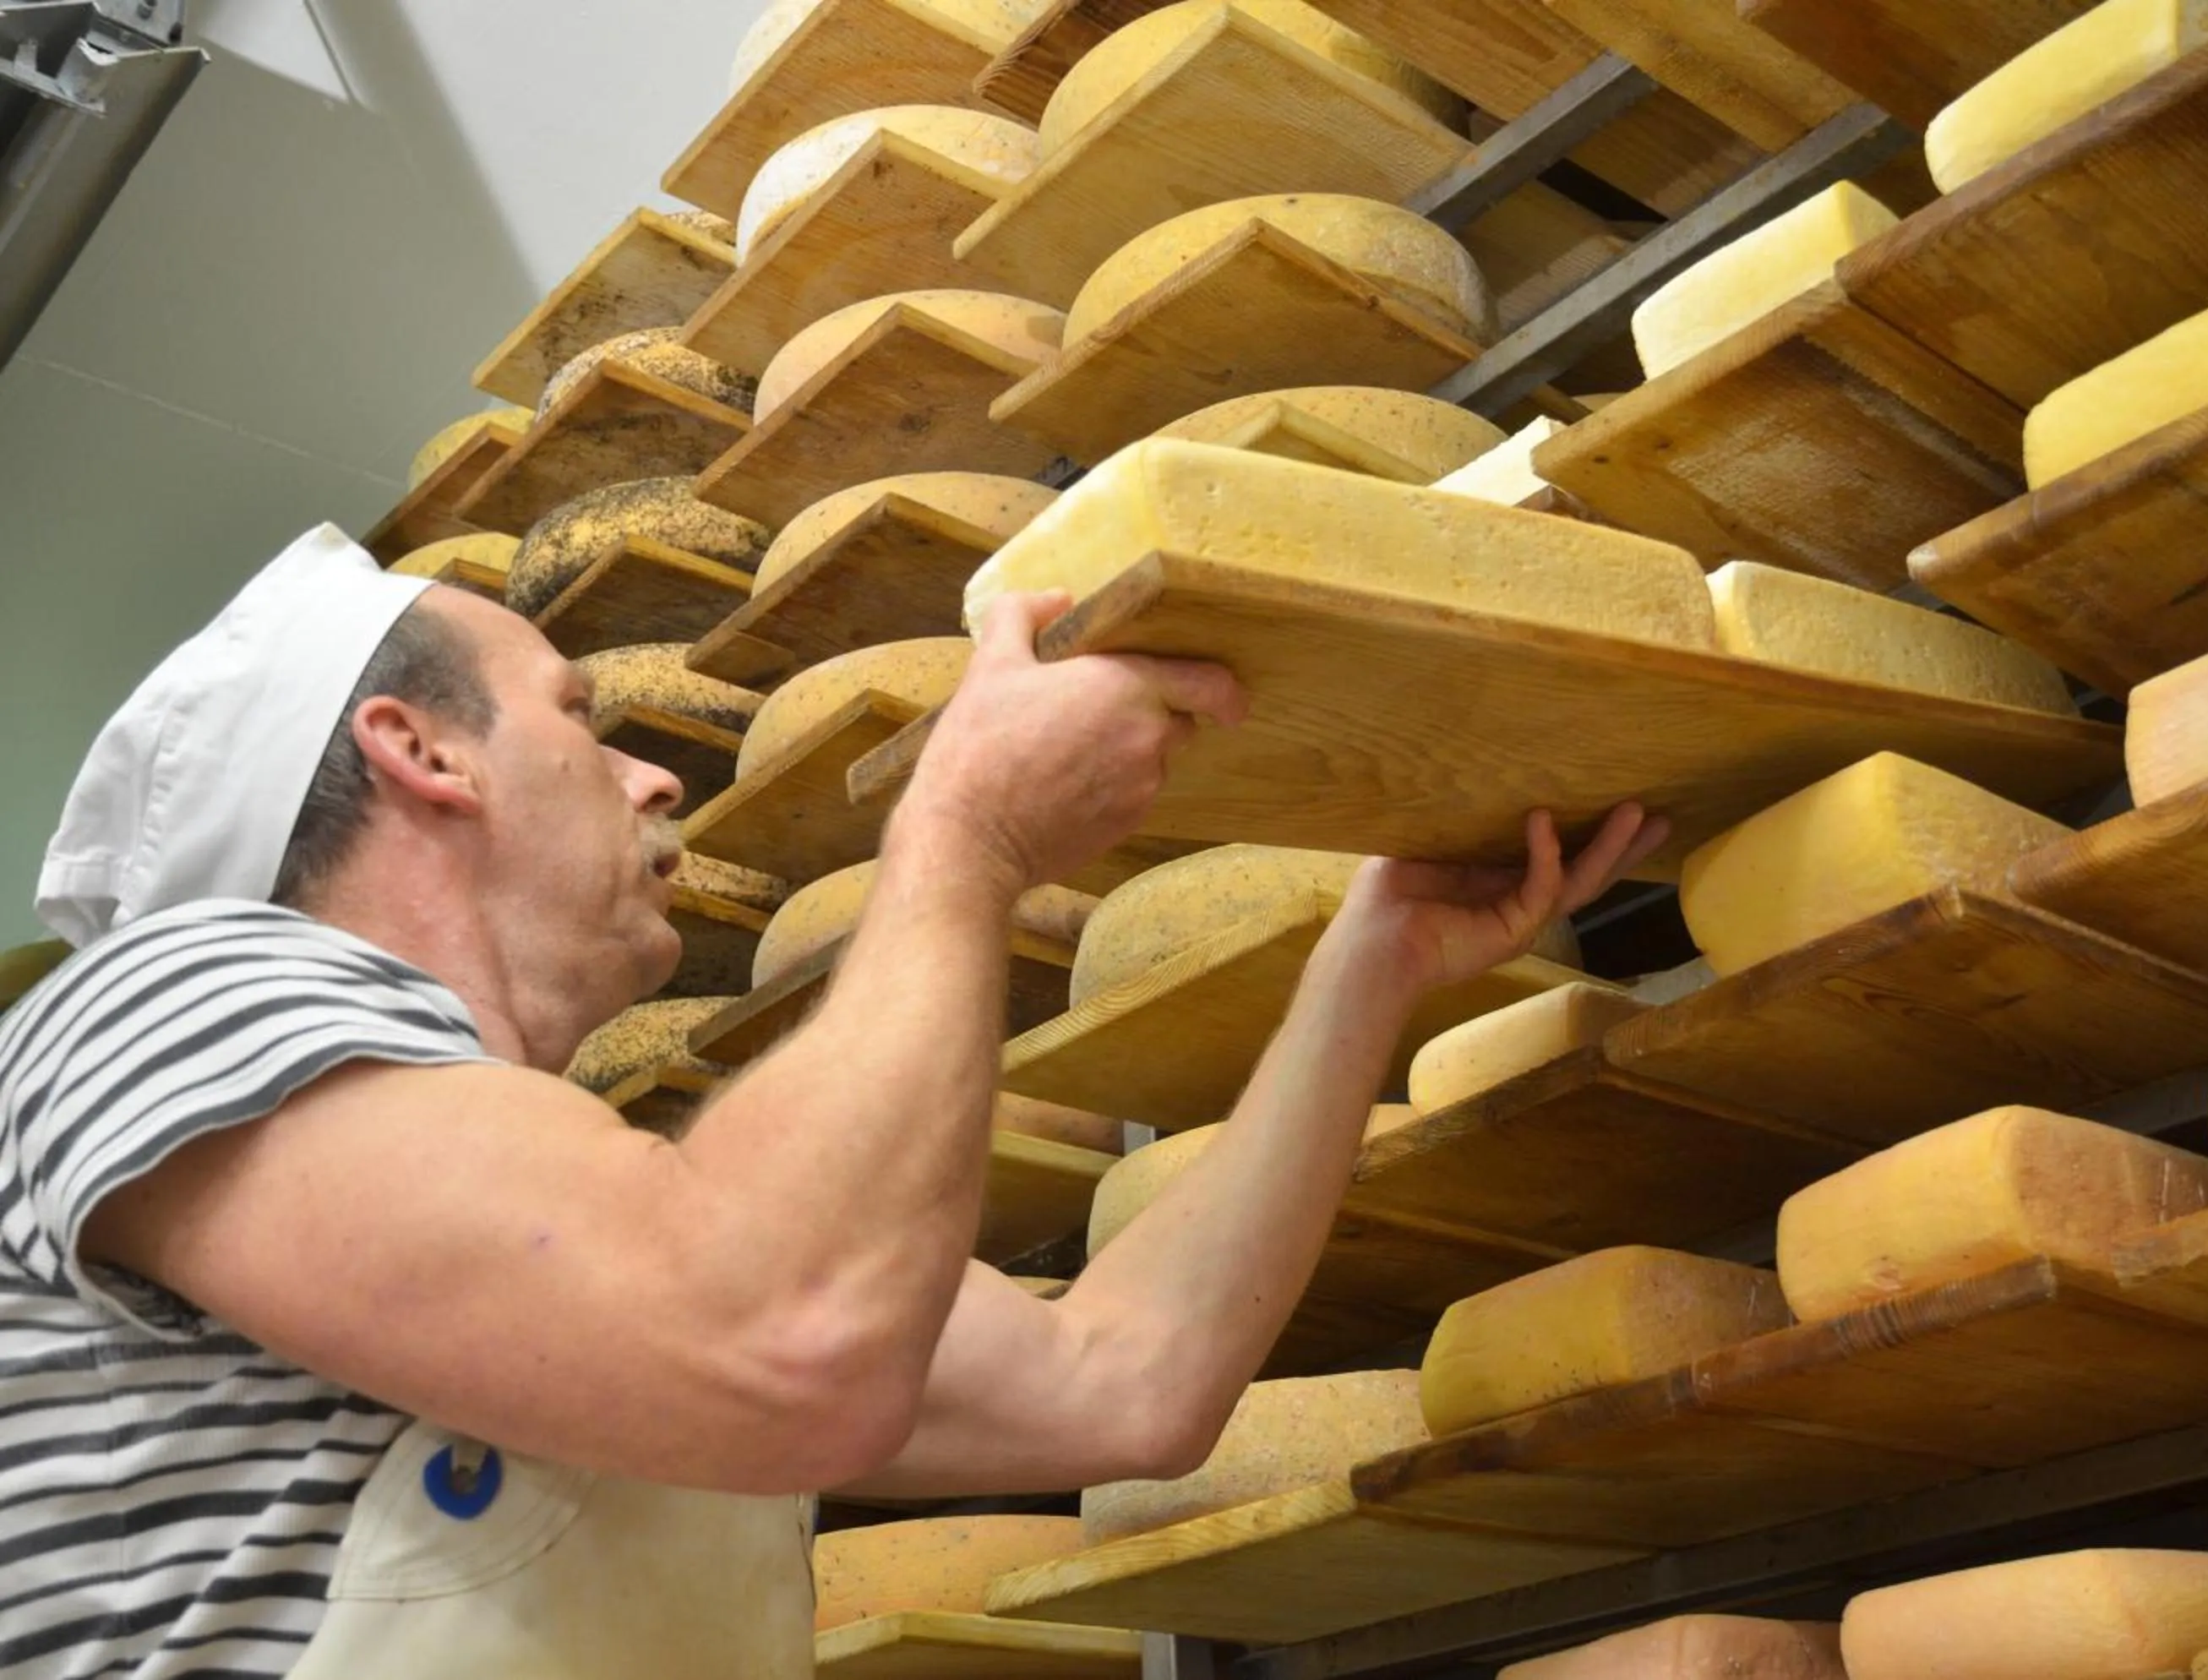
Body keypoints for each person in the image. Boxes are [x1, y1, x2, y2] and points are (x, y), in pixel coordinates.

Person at [0, 524, 1664, 1679]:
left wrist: (1373, 960)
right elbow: (779, 1331)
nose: (652, 773)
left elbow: (1128, 1380)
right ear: (420, 752)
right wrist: (967, 832)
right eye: (578, 716)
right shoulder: (166, 1002)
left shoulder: (569, 1237)